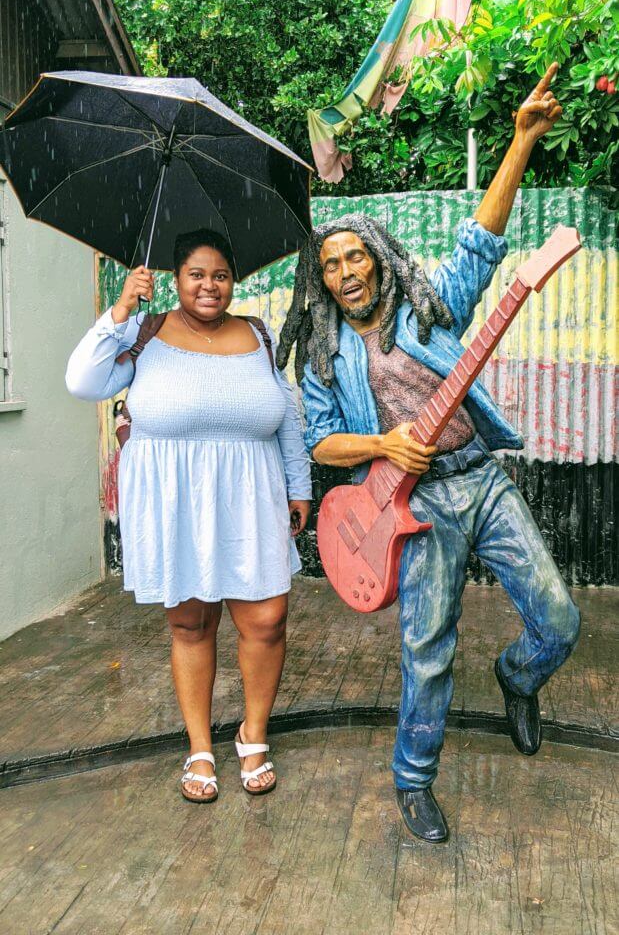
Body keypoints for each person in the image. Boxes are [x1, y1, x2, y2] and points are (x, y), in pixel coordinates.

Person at [277, 64, 580, 843]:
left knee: (557, 618)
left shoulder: (430, 304)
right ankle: (413, 781)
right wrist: (381, 443)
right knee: (426, 648)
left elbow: (479, 239)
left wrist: (518, 141)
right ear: (321, 279)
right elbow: (321, 441)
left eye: (355, 257)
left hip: (478, 479)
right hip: (410, 509)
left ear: (378, 255)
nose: (345, 272)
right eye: (331, 265)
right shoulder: (323, 353)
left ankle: (517, 679)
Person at [67, 228, 312, 802]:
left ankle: (253, 734)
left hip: (253, 496)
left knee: (267, 619)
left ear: (234, 281)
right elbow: (81, 381)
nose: (209, 285)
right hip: (175, 504)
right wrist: (122, 307)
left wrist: (299, 486)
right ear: (176, 280)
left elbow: (286, 417)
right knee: (191, 624)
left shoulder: (257, 333)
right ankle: (200, 746)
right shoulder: (145, 333)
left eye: (220, 275)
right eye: (196, 274)